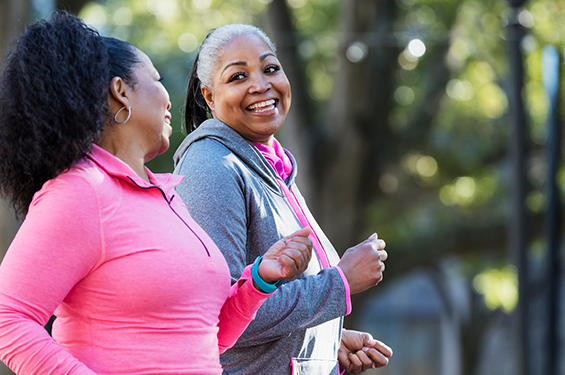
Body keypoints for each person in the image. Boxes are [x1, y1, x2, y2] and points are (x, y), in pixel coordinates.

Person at [0, 13, 313, 375]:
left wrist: (258, 282)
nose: (170, 100)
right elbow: (9, 319)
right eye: (156, 79)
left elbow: (202, 336)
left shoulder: (167, 197)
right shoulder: (81, 191)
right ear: (121, 92)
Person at [173, 24, 392, 375]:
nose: (260, 84)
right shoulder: (212, 166)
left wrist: (324, 340)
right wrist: (340, 282)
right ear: (210, 97)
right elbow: (220, 314)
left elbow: (270, 308)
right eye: (238, 76)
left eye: (270, 68)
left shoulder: (271, 164)